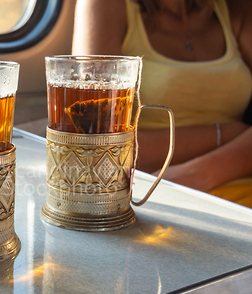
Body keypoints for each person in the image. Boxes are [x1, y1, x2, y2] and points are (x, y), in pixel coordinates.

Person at [72, 0, 252, 208]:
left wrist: (199, 173)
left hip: (237, 182)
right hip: (145, 190)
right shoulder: (106, 5)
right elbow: (93, 146)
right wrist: (225, 134)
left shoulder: (236, 8)